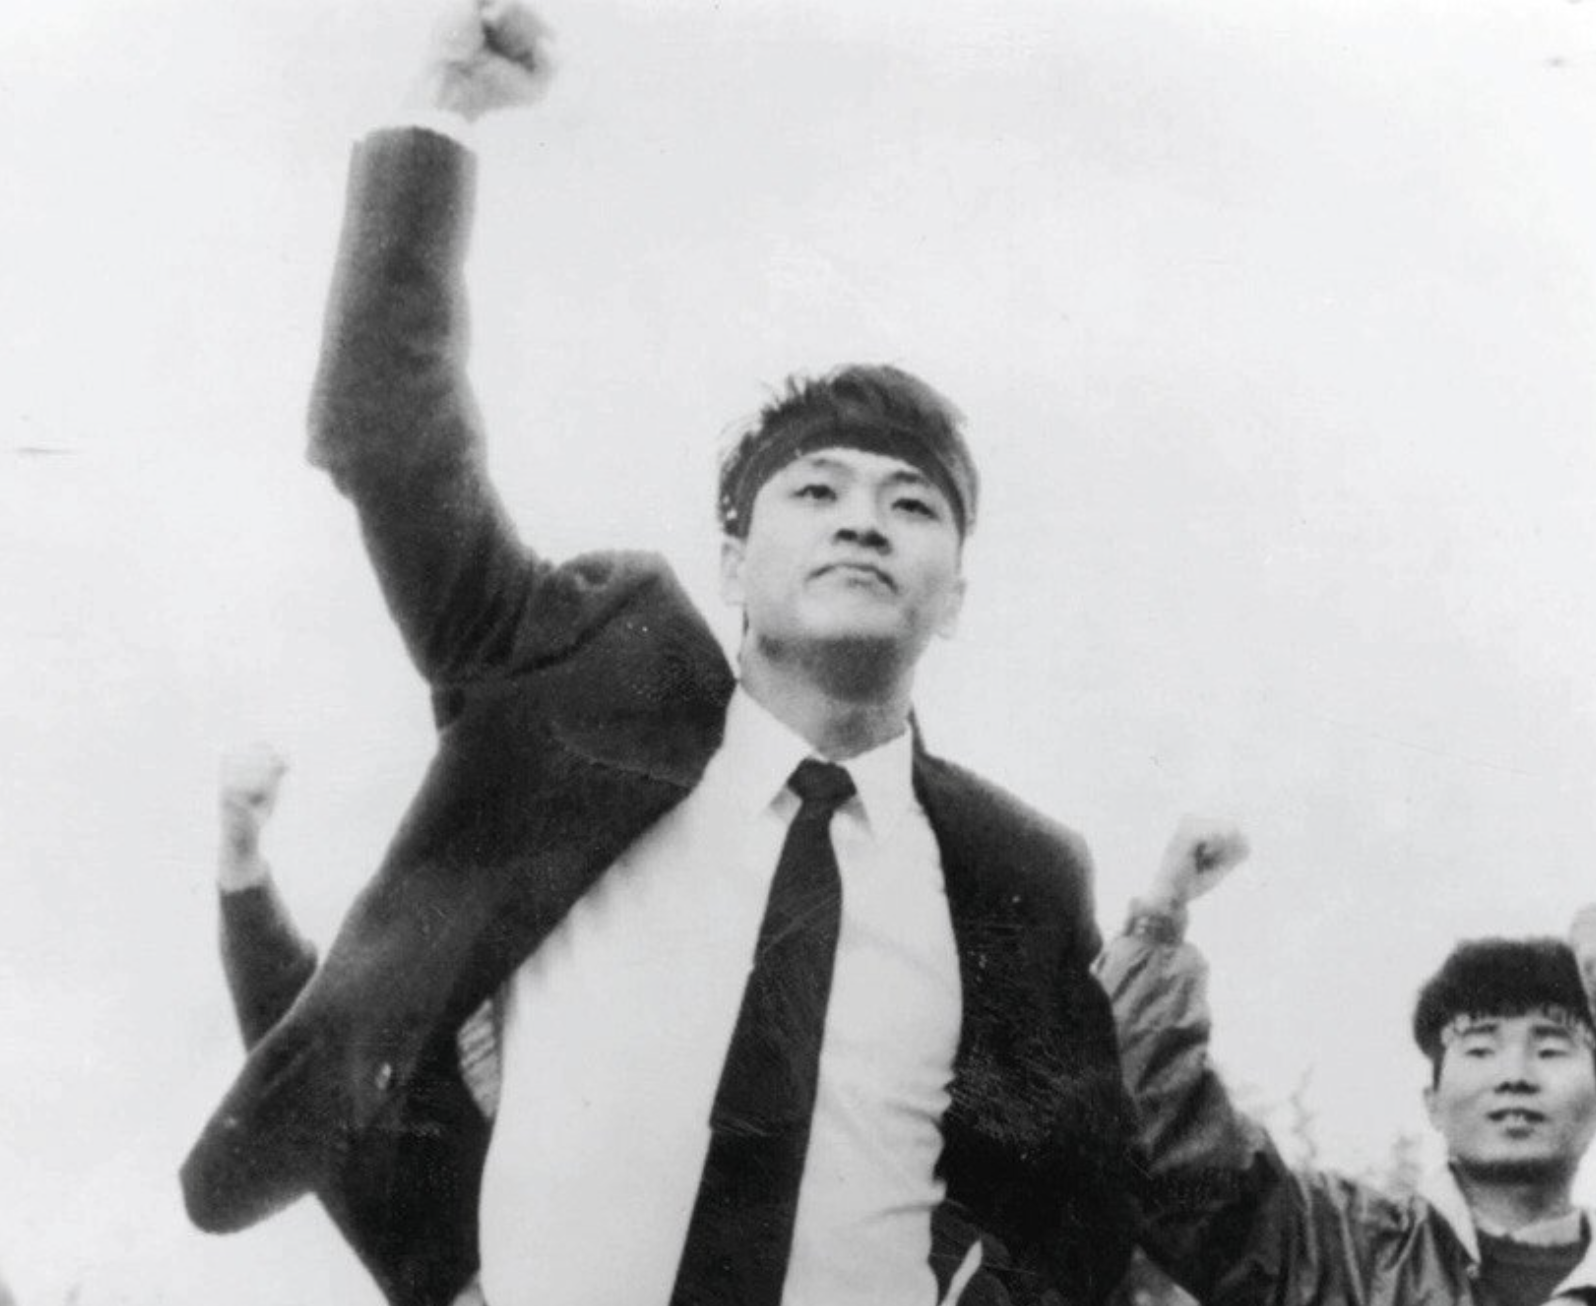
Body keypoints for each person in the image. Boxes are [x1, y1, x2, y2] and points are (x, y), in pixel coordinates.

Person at [179, 3, 1139, 1304]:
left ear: (955, 596)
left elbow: (1075, 1220)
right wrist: (443, 106)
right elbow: (389, 434)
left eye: (911, 504)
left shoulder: (1015, 873)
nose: (863, 518)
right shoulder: (580, 694)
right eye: (816, 490)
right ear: (733, 563)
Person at [1101, 818, 1596, 1306]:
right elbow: (1150, 1123)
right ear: (1433, 1104)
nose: (1515, 1076)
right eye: (1481, 1049)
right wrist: (1160, 915)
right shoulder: (1331, 1252)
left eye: (1550, 1050)